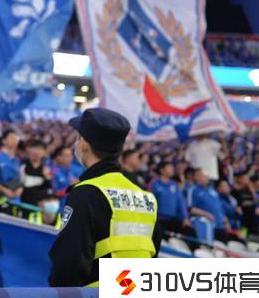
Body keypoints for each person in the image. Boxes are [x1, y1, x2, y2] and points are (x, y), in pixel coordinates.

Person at [48, 108, 161, 288]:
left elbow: (69, 264)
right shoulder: (146, 198)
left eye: (78, 138)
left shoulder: (85, 193)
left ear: (84, 145)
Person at [149, 162, 198, 250]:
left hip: (172, 219)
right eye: (169, 167)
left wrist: (185, 218)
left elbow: (181, 202)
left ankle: (196, 251)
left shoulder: (174, 185)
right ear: (162, 170)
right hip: (159, 219)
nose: (172, 169)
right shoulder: (154, 184)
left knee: (190, 230)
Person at [191, 168, 235, 243]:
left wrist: (226, 221)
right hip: (207, 226)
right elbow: (191, 209)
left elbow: (219, 207)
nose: (207, 177)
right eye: (204, 176)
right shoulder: (193, 190)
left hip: (221, 226)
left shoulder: (212, 190)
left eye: (207, 176)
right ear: (197, 177)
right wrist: (206, 214)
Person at [19, 140, 52, 205]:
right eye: (35, 148)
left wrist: (48, 178)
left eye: (40, 149)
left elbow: (48, 189)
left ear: (44, 153)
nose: (36, 151)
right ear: (29, 150)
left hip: (37, 206)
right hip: (22, 203)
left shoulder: (46, 169)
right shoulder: (21, 165)